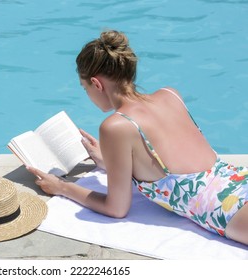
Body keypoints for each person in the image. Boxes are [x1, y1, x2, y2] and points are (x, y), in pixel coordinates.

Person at [27, 30, 248, 246]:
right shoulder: (170, 94)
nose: (88, 95)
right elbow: (169, 162)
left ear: (96, 83)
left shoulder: (116, 125)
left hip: (228, 208)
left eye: (85, 88)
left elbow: (116, 208)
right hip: (239, 180)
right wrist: (109, 162)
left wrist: (61, 187)